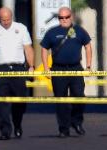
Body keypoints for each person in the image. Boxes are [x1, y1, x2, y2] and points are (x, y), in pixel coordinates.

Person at [0, 7, 34, 140]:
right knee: (2, 101)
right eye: (3, 20)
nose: (5, 22)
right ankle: (5, 130)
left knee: (20, 99)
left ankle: (17, 124)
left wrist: (31, 66)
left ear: (12, 17)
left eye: (8, 19)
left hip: (18, 68)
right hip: (0, 69)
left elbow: (28, 48)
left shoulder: (21, 28)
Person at [40, 7, 92, 138]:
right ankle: (63, 128)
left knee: (79, 96)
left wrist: (89, 66)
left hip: (75, 68)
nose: (64, 20)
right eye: (61, 18)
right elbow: (44, 49)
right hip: (58, 69)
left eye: (67, 17)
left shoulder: (79, 31)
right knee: (61, 100)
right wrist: (46, 68)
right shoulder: (52, 32)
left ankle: (76, 122)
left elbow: (88, 46)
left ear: (71, 17)